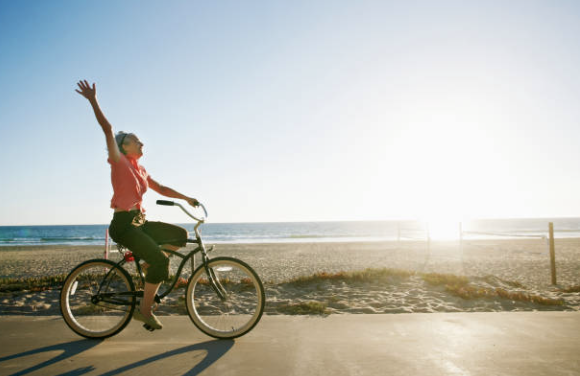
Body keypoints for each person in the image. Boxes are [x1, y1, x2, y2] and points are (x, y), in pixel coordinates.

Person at [75, 80, 198, 330]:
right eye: (136, 141)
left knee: (180, 235)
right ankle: (144, 311)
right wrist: (93, 100)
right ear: (124, 146)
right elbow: (108, 129)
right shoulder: (118, 161)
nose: (142, 144)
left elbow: (161, 189)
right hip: (124, 225)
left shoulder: (140, 169)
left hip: (139, 223)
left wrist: (186, 198)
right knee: (162, 264)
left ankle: (147, 264)